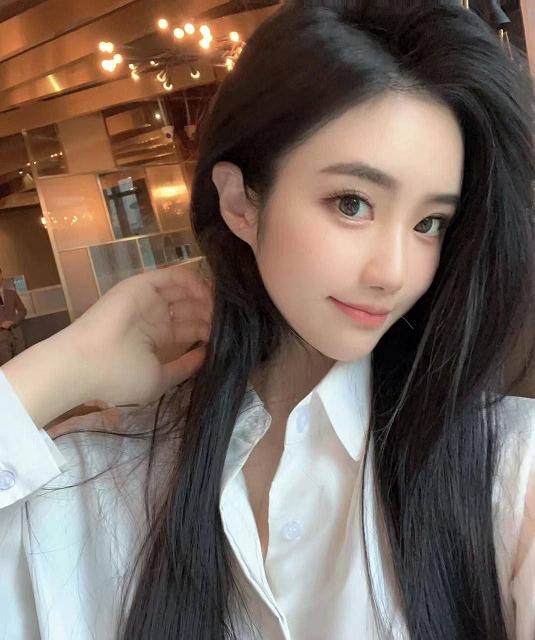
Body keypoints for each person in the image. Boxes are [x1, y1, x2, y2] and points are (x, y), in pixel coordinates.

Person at [0, 2, 534, 639]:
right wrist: (63, 367)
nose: (393, 272)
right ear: (240, 203)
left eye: (429, 223)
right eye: (353, 203)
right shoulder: (93, 483)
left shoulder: (509, 469)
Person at [0, 266, 27, 365]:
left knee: (23, 363)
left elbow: (22, 310)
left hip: (16, 333)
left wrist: (13, 321)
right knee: (7, 366)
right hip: (1, 338)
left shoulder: (10, 292)